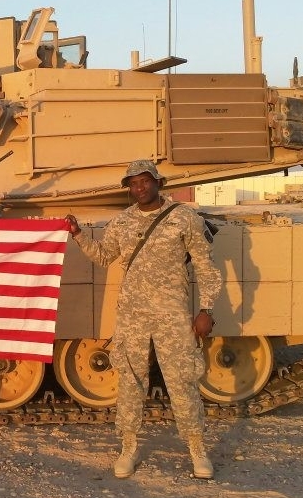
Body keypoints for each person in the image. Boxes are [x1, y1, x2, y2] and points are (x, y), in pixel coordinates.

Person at [65, 159, 222, 480]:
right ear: (129, 188)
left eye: (145, 181)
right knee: (130, 380)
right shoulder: (121, 222)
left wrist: (207, 309)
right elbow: (104, 256)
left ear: (158, 183)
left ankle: (196, 448)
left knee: (182, 380)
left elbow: (205, 266)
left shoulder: (183, 218)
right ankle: (129, 446)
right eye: (134, 183)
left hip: (172, 313)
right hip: (132, 314)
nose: (140, 188)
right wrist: (79, 234)